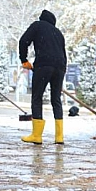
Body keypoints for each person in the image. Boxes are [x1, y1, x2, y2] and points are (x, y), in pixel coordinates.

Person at [18, 10, 67, 144]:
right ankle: (59, 136)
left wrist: (24, 59)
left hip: (44, 65)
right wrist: (62, 70)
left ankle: (37, 135)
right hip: (60, 66)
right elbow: (63, 52)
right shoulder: (58, 33)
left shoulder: (37, 25)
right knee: (56, 99)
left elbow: (23, 41)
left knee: (37, 97)